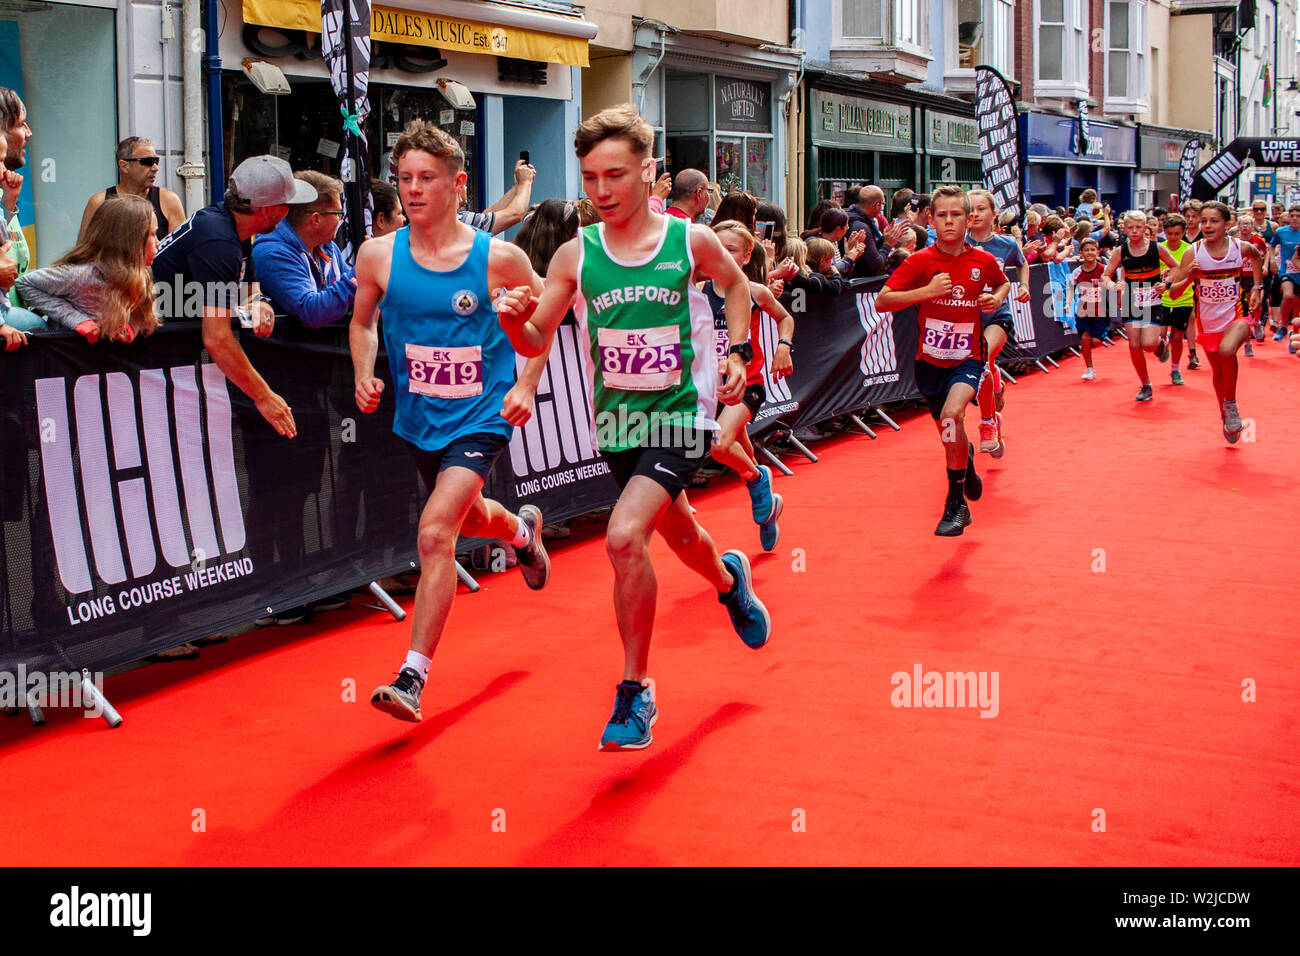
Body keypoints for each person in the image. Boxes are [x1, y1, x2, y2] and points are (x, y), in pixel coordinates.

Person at [495, 104, 772, 751]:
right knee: (678, 535)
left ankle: (635, 692)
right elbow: (537, 332)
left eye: (614, 175)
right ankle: (730, 580)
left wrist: (737, 354)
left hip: (681, 414)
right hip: (617, 422)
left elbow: (737, 290)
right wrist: (515, 332)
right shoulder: (577, 253)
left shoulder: (689, 241)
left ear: (649, 173)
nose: (600, 192)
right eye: (589, 178)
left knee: (623, 538)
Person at [349, 121, 550, 723]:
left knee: (437, 532)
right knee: (474, 516)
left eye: (426, 179)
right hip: (418, 417)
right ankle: (523, 533)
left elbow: (545, 323)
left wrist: (524, 384)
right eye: (405, 178)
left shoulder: (501, 258)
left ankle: (412, 677)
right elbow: (362, 322)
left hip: (481, 415)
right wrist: (364, 371)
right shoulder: (377, 254)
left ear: (458, 185)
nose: (412, 190)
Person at [874, 185, 1008, 536]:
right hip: (929, 361)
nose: (950, 222)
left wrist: (995, 298)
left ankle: (955, 505)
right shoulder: (920, 261)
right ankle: (967, 465)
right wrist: (927, 292)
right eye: (943, 215)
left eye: (957, 214)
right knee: (950, 431)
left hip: (968, 358)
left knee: (953, 415)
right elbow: (883, 301)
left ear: (969, 219)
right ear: (931, 220)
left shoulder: (983, 260)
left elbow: (1002, 283)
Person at [150, 154, 313, 436]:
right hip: (148, 358)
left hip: (166, 358)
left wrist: (258, 300)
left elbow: (248, 282)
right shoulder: (219, 241)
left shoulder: (234, 227)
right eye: (288, 205)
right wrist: (265, 397)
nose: (290, 212)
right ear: (268, 210)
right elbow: (217, 337)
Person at [704, 220, 794, 551]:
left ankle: (759, 481)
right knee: (741, 453)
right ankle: (767, 507)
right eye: (717, 248)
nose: (722, 255)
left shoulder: (755, 291)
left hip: (747, 385)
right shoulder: (696, 291)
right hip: (710, 390)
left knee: (719, 445)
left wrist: (784, 346)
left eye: (730, 250)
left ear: (745, 256)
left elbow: (786, 317)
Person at [1162, 201, 1264, 443]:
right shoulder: (1193, 252)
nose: (1207, 225)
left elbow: (1258, 256)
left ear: (1227, 224)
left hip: (1237, 315)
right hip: (1208, 322)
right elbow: (1174, 292)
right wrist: (1189, 278)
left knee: (1228, 350)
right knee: (1218, 371)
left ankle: (1231, 405)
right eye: (1203, 221)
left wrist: (1258, 287)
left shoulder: (1240, 247)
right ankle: (1225, 412)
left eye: (1213, 221)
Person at [17, 194, 161, 342]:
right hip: (68, 357)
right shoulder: (81, 275)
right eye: (153, 234)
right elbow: (25, 284)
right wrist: (78, 320)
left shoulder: (143, 274)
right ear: (131, 240)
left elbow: (139, 315)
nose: (158, 242)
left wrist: (131, 329)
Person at [966, 189, 1029, 457]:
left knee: (982, 360)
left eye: (981, 209)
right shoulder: (957, 243)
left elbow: (1022, 263)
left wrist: (1024, 285)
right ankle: (996, 386)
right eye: (970, 209)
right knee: (986, 367)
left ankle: (987, 423)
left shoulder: (1006, 245)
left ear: (994, 213)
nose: (975, 214)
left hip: (996, 316)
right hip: (966, 319)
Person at [1102, 209, 1180, 402]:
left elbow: (1176, 267)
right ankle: (1146, 385)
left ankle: (1160, 344)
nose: (1135, 231)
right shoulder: (1121, 251)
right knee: (1134, 345)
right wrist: (1113, 284)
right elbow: (1105, 275)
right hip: (1131, 299)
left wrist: (1167, 283)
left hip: (1152, 299)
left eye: (1138, 227)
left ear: (1146, 228)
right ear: (1124, 229)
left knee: (1148, 344)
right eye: (1131, 228)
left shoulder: (1157, 248)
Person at [78, 137, 186, 243]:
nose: (155, 168)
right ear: (124, 166)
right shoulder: (99, 202)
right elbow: (83, 253)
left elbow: (180, 251)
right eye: (148, 162)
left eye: (156, 161)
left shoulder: (168, 200)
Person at [1156, 213, 1195, 385]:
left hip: (1183, 298)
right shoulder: (1158, 249)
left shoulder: (1189, 250)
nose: (1173, 237)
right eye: (1169, 234)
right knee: (1160, 334)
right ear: (1164, 232)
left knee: (1178, 337)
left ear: (1183, 232)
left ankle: (1175, 369)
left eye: (1177, 234)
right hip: (1161, 298)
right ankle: (1162, 346)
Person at [458, 158, 535, 234]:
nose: (466, 187)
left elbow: (486, 217)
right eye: (464, 183)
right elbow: (515, 214)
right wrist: (526, 182)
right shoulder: (459, 222)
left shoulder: (461, 219)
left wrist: (518, 186)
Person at [1069, 237, 1107, 379]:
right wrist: (1068, 302)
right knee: (1084, 338)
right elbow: (1071, 288)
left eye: (1092, 250)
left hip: (1101, 310)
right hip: (1083, 310)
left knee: (1096, 341)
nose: (1090, 252)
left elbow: (1115, 282)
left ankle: (1096, 339)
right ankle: (1089, 368)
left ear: (1098, 252)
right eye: (1086, 250)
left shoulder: (1104, 269)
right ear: (1081, 253)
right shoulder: (1077, 272)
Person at [1268, 205, 1300, 341]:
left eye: (1298, 216)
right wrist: (1272, 261)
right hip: (1287, 270)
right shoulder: (1281, 232)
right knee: (1287, 296)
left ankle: (1295, 333)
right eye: (1292, 216)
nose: (1294, 219)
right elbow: (1271, 246)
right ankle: (1283, 326)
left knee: (1298, 305)